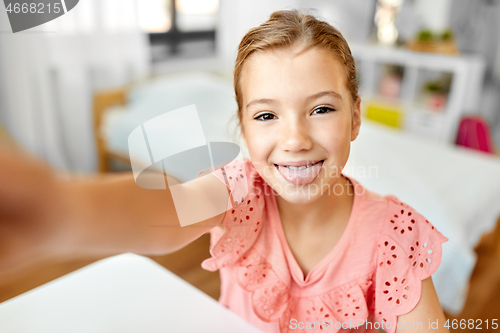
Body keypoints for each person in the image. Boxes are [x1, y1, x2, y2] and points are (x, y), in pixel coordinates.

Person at [0, 9, 449, 333]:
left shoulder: (395, 237)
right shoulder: (238, 189)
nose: (294, 139)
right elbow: (165, 213)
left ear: (355, 119)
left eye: (321, 108)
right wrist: (60, 211)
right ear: (243, 129)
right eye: (266, 116)